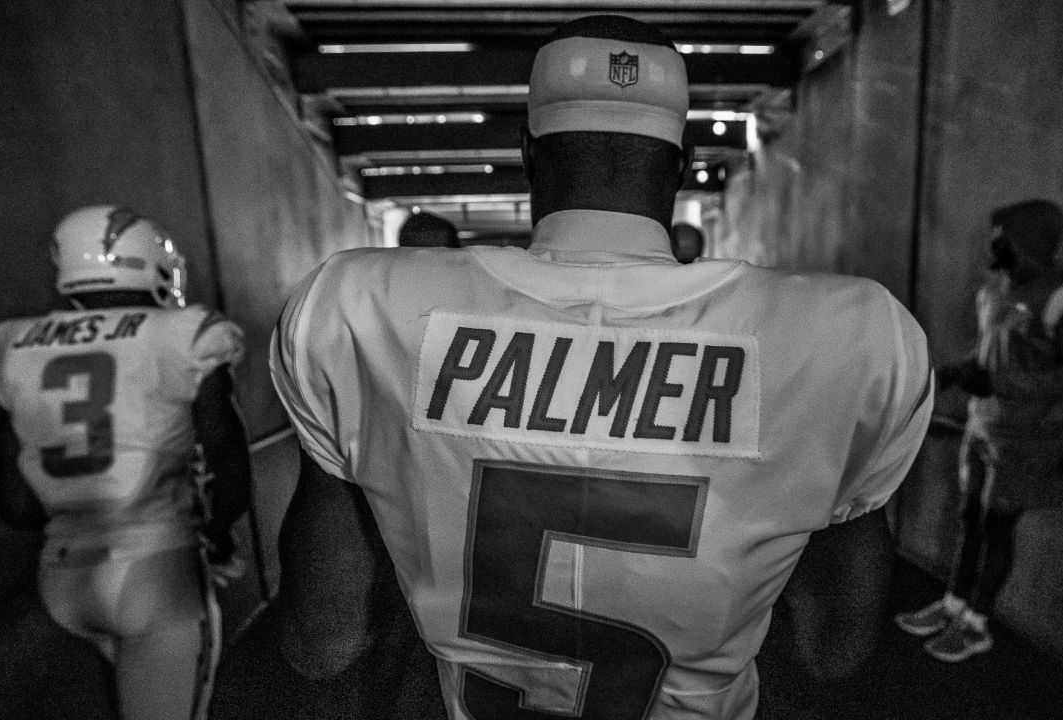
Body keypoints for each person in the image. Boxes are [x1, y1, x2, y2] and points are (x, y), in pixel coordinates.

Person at [269, 15, 933, 720]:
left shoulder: (357, 310)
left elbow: (324, 639)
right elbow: (836, 646)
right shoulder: (846, 337)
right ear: (677, 165)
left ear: (528, 151)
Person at [0, 205, 253, 720]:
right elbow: (226, 460)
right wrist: (215, 533)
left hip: (58, 579)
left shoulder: (13, 346)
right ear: (151, 263)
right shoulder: (182, 335)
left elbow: (14, 504)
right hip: (156, 567)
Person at [894, 199, 1063, 663]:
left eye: (999, 236)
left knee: (997, 527)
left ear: (1025, 242)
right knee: (969, 517)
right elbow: (990, 359)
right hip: (982, 423)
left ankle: (976, 624)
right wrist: (956, 373)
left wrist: (1009, 382)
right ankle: (952, 603)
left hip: (1029, 437)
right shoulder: (994, 291)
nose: (990, 244)